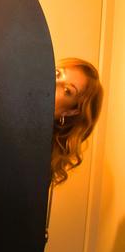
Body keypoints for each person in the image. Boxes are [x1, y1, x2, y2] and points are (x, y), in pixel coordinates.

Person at [51, 57, 103, 186]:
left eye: (67, 90)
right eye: (57, 73)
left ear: (70, 111)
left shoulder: (39, 156)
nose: (54, 82)